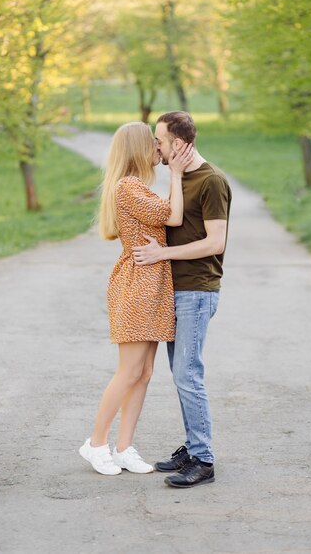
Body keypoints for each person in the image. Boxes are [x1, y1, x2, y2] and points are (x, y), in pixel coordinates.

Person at [79, 121, 193, 476]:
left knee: (144, 373)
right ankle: (96, 443)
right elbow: (173, 216)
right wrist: (176, 173)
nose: (159, 150)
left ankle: (125, 447)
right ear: (138, 149)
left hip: (153, 282)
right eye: (154, 145)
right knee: (129, 371)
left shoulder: (138, 187)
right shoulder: (128, 187)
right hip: (137, 284)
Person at [133, 111, 232, 488]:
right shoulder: (181, 178)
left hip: (197, 290)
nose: (154, 147)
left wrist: (162, 255)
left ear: (178, 144)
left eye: (159, 140)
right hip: (177, 290)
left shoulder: (211, 181)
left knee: (188, 375)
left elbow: (215, 242)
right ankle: (193, 448)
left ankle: (203, 460)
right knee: (181, 375)